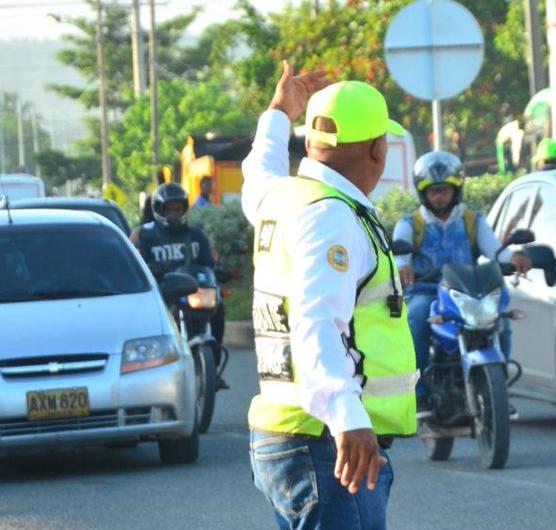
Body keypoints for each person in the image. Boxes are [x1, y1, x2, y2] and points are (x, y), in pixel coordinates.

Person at [241, 61, 416, 530]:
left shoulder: (282, 198)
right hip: (325, 442)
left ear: (311, 145)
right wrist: (347, 418)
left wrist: (279, 114)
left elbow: (258, 172)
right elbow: (316, 320)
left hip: (294, 435)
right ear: (378, 150)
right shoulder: (331, 216)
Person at [393, 151, 532, 414]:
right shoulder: (410, 224)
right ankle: (419, 393)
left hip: (467, 292)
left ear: (456, 190)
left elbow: (495, 251)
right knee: (417, 316)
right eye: (433, 191)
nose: (439, 197)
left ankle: (499, 388)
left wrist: (513, 257)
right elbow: (400, 257)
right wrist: (403, 267)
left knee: (500, 320)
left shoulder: (472, 220)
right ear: (423, 193)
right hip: (429, 293)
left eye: (445, 190)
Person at [130, 183, 227, 386]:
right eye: (169, 209)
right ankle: (151, 369)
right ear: (159, 210)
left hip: (193, 293)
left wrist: (221, 270)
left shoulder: (196, 235)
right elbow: (136, 264)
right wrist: (152, 268)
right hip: (163, 295)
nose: (174, 213)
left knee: (219, 308)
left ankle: (214, 365)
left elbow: (209, 263)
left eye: (178, 208)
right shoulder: (145, 236)